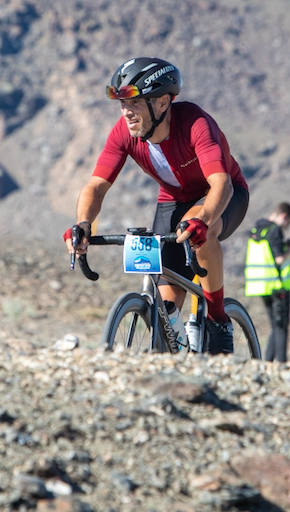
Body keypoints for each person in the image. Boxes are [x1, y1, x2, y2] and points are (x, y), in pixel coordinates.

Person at [66, 57, 249, 354]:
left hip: (225, 194)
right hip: (173, 199)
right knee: (165, 303)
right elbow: (96, 185)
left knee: (200, 229)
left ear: (163, 103)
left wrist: (203, 218)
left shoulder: (195, 123)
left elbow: (221, 185)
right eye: (122, 104)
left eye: (134, 103)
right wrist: (83, 224)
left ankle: (217, 319)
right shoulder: (124, 132)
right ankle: (171, 346)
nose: (126, 112)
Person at [243, 202, 290, 362]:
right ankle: (281, 364)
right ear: (284, 216)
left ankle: (267, 362)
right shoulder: (275, 230)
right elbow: (278, 259)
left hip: (261, 285)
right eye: (288, 223)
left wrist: (285, 244)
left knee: (275, 325)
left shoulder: (258, 228)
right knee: (281, 326)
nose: (287, 227)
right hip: (277, 286)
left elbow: (268, 250)